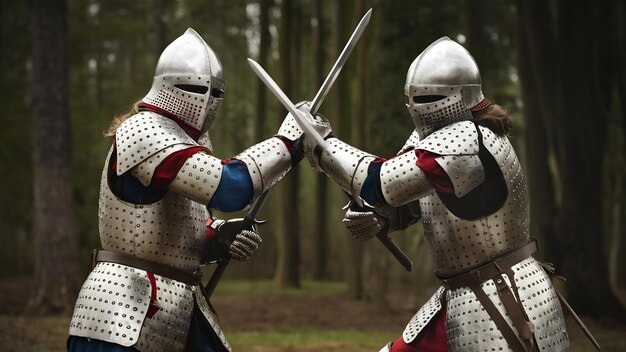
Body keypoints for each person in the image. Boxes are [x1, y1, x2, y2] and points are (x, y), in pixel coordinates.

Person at [301, 37, 570, 351]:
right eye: (412, 98)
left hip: (501, 298)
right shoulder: (435, 140)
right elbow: (410, 201)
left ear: (459, 95)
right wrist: (379, 217)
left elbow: (380, 181)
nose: (417, 107)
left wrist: (323, 145)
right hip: (464, 295)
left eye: (428, 97)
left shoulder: (468, 139)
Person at [68, 28, 306, 352]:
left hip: (177, 301)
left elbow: (175, 228)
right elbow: (230, 189)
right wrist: (287, 143)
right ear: (168, 86)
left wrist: (217, 236)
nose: (207, 100)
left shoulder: (188, 140)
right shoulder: (144, 129)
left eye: (216, 94)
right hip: (123, 307)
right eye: (195, 88)